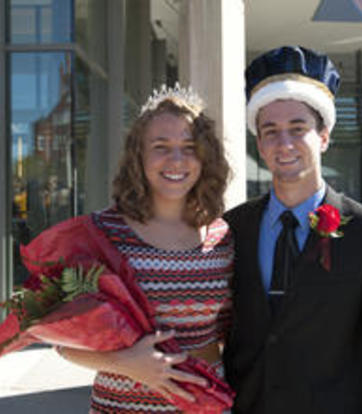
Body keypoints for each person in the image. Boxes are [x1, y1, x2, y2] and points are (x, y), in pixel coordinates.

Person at [223, 46, 362, 413]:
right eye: (270, 131)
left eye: (298, 128)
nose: (285, 144)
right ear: (258, 143)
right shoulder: (232, 228)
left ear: (324, 136)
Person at [56, 85, 233, 413]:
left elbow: (225, 337)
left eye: (189, 147)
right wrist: (126, 363)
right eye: (160, 146)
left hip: (204, 406)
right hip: (120, 406)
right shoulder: (103, 234)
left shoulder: (223, 238)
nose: (176, 159)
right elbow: (62, 342)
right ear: (138, 155)